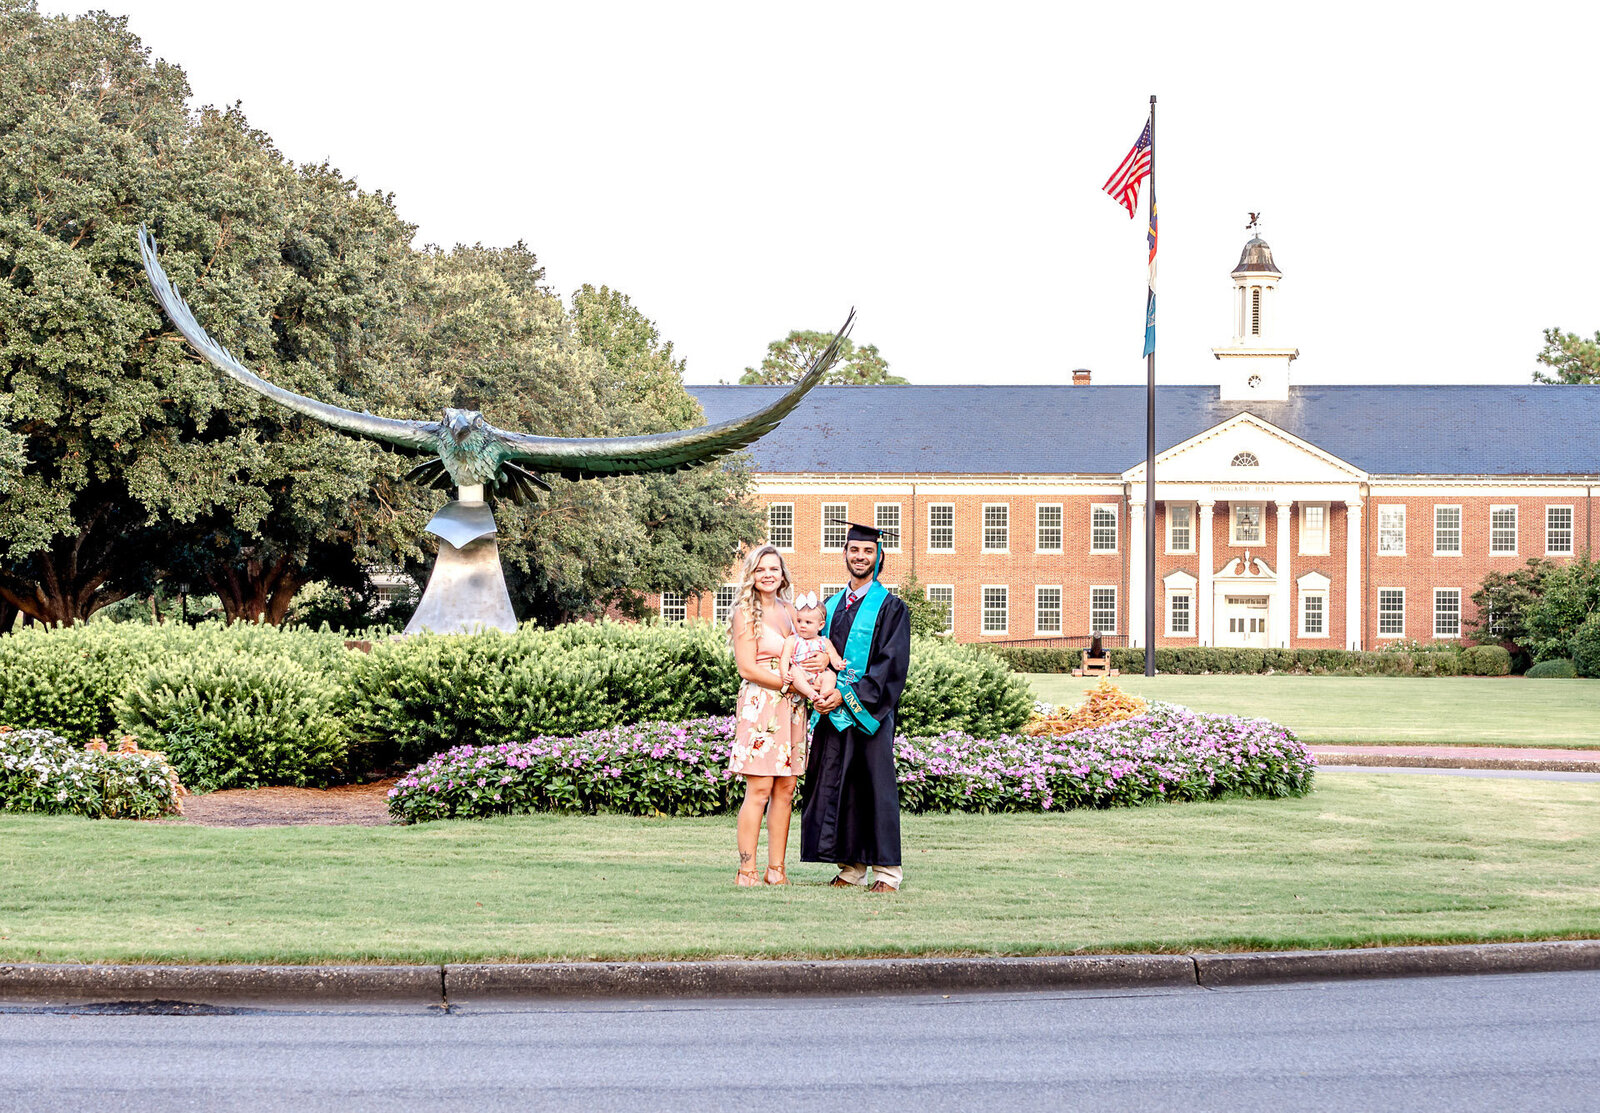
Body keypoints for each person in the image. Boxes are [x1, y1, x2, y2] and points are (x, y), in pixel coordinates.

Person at [801, 521, 912, 892]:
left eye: (867, 551)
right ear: (844, 554)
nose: (860, 557)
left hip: (869, 715)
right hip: (831, 713)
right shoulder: (829, 607)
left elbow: (891, 665)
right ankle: (851, 868)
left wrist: (849, 696)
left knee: (875, 787)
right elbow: (815, 652)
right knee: (841, 785)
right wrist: (818, 682)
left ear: (879, 556)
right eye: (854, 550)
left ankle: (887, 873)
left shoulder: (891, 608)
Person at [726, 543, 810, 886]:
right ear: (752, 575)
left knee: (786, 788)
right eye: (761, 570)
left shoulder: (792, 611)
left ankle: (777, 870)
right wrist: (788, 684)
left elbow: (806, 650)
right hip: (762, 704)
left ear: (782, 574)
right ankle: (747, 870)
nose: (768, 575)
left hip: (792, 707)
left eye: (773, 569)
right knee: (759, 788)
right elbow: (747, 668)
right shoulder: (745, 613)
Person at [779, 592, 844, 705]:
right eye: (799, 621)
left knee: (830, 675)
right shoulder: (793, 640)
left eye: (808, 622)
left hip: (818, 676)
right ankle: (811, 694)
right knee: (794, 671)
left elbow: (833, 655)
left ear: (820, 625)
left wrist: (838, 663)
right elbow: (784, 658)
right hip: (801, 674)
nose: (802, 625)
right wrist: (785, 674)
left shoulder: (824, 641)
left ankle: (823, 697)